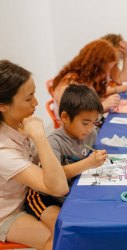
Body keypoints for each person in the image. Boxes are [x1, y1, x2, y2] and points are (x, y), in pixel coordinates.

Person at [0, 60, 69, 249]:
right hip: (8, 212)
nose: (36, 103)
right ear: (3, 106)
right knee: (59, 240)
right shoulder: (4, 152)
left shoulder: (19, 125)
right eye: (29, 98)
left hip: (29, 195)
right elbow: (59, 187)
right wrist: (39, 136)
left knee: (68, 223)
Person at [25, 84, 108, 209]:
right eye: (85, 123)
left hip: (78, 188)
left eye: (94, 122)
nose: (90, 128)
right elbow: (54, 175)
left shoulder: (91, 134)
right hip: (53, 198)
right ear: (65, 117)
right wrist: (88, 163)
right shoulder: (54, 142)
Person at [51, 39, 121, 115]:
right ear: (95, 66)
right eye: (105, 70)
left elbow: (88, 105)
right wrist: (102, 106)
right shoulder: (69, 84)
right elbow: (75, 117)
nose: (107, 75)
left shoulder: (87, 79)